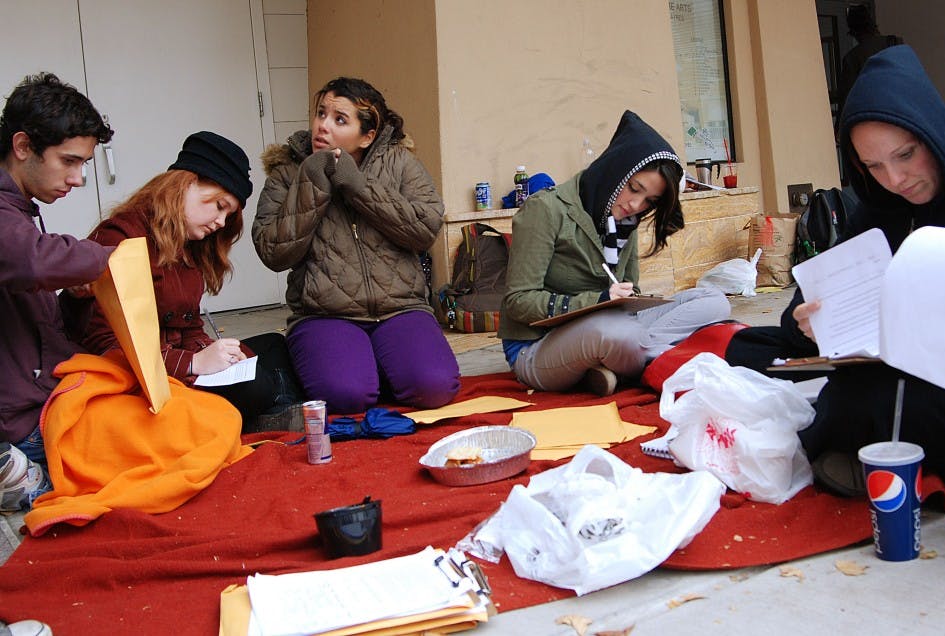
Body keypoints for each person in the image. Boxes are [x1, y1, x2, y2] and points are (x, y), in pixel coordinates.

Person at [727, 45, 945, 494]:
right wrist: (807, 324)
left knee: (868, 396)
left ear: (931, 132)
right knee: (747, 348)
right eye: (874, 166)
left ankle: (860, 446)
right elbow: (811, 297)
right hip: (886, 361)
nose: (895, 179)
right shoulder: (881, 203)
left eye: (905, 155)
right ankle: (863, 442)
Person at [72, 131, 305, 433]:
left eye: (228, 214)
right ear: (185, 184)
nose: (221, 222)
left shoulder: (188, 243)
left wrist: (215, 353)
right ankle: (273, 411)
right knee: (257, 384)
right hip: (144, 380)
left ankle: (272, 411)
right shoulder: (121, 239)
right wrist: (193, 363)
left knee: (275, 346)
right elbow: (108, 345)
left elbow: (190, 325)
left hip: (175, 362)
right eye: (219, 205)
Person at [253, 77, 459, 414]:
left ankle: (375, 363)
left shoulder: (400, 163)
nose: (323, 126)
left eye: (340, 119)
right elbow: (273, 251)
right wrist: (311, 184)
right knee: (346, 396)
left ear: (367, 136)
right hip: (323, 314)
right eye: (321, 113)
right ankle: (357, 366)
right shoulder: (288, 171)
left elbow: (425, 230)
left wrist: (358, 187)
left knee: (433, 387)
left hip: (401, 308)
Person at [497, 110, 731, 396]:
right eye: (634, 188)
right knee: (618, 334)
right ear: (614, 171)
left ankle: (615, 362)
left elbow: (630, 292)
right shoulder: (545, 210)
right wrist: (598, 300)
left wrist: (632, 298)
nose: (636, 205)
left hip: (611, 328)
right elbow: (518, 301)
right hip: (537, 345)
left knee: (713, 300)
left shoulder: (624, 220)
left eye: (649, 201)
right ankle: (651, 356)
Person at [0, 72, 113, 512]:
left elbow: (38, 324)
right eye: (69, 161)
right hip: (22, 420)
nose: (79, 178)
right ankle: (23, 475)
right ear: (22, 146)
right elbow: (33, 260)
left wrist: (77, 298)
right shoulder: (8, 219)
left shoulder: (20, 209)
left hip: (43, 399)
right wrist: (111, 258)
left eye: (83, 164)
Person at [836, 4, 903, 127]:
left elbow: (846, 99)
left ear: (854, 31)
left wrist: (839, 128)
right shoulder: (895, 43)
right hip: (900, 114)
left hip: (873, 120)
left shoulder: (853, 58)